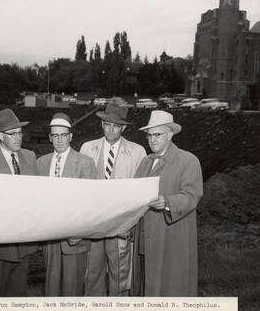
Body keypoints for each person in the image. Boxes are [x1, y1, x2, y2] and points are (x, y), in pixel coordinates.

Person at [80, 102, 146, 296]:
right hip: (94, 222)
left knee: (120, 272)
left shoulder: (137, 152)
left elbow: (140, 193)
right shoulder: (87, 148)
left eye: (116, 125)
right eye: (107, 124)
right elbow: (80, 189)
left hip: (121, 224)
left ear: (123, 127)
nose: (110, 129)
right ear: (101, 124)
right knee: (92, 272)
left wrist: (129, 223)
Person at [134, 110, 203, 296]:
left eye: (157, 135)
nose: (152, 140)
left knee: (172, 286)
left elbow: (192, 195)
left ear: (170, 135)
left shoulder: (188, 160)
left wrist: (167, 202)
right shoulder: (145, 162)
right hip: (146, 237)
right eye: (149, 135)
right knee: (147, 286)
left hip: (172, 237)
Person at [0, 108, 38, 297]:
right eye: (12, 134)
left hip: (24, 243)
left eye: (20, 133)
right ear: (0, 137)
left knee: (18, 294)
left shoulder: (30, 157)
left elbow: (36, 197)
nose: (18, 138)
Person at [37, 113, 97, 296]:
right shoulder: (41, 163)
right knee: (51, 288)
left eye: (64, 135)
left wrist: (80, 232)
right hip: (50, 238)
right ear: (49, 138)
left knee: (72, 290)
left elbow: (92, 203)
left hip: (74, 238)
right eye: (55, 135)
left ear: (71, 136)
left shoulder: (85, 163)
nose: (60, 140)